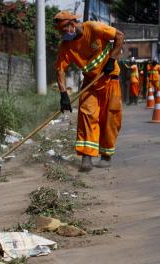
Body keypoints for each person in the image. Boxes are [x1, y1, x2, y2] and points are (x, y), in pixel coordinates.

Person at [53, 11, 124, 171]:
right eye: (60, 31)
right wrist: (63, 94)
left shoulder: (93, 28)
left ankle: (106, 154)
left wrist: (112, 59)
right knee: (86, 114)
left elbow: (119, 36)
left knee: (110, 119)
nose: (63, 34)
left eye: (64, 30)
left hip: (110, 79)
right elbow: (60, 70)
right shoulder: (66, 45)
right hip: (89, 84)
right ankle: (87, 157)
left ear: (72, 24)